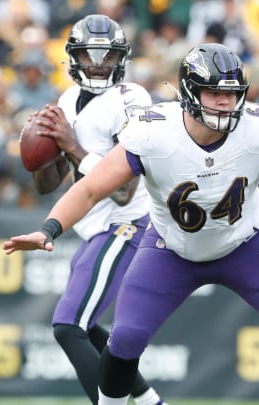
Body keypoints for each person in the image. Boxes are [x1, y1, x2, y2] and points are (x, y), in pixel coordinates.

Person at [5, 43, 259, 404]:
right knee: (124, 340)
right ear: (191, 92)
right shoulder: (153, 132)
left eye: (232, 93)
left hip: (243, 244)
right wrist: (49, 229)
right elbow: (91, 189)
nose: (226, 102)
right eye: (216, 92)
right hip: (170, 250)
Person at [24, 14, 166, 405]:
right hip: (97, 228)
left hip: (129, 223)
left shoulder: (132, 99)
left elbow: (123, 189)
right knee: (92, 330)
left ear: (121, 58)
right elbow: (48, 185)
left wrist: (70, 145)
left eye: (108, 55)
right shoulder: (68, 101)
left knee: (69, 326)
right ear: (74, 57)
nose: (100, 63)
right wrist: (40, 152)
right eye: (91, 54)